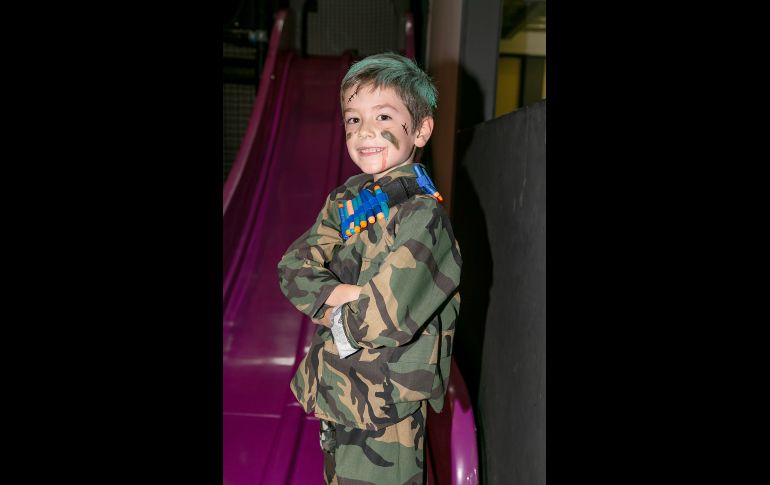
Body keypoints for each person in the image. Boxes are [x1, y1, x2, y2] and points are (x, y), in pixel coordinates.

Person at [277, 52, 462, 485]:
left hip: (386, 408)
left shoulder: (423, 217)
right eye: (353, 120)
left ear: (421, 130)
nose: (365, 132)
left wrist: (326, 307)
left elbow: (385, 318)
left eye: (383, 116)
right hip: (339, 394)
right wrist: (343, 295)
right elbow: (292, 267)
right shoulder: (347, 199)